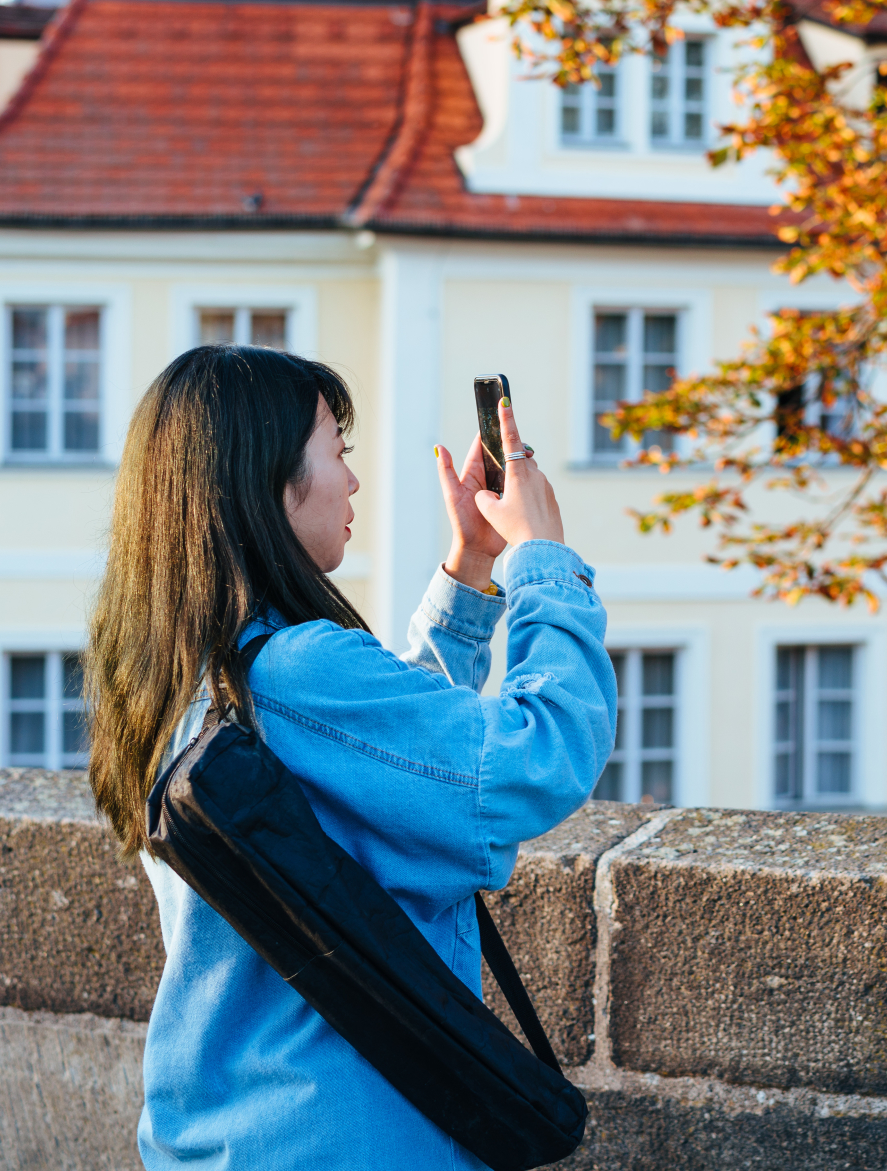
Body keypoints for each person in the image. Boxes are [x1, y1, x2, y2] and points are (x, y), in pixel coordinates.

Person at [84, 344, 615, 1169]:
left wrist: (471, 569)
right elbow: (531, 759)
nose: (353, 482)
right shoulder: (295, 671)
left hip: (217, 1136)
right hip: (344, 1138)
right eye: (338, 451)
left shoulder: (178, 673)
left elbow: (379, 764)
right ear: (267, 478)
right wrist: (540, 560)